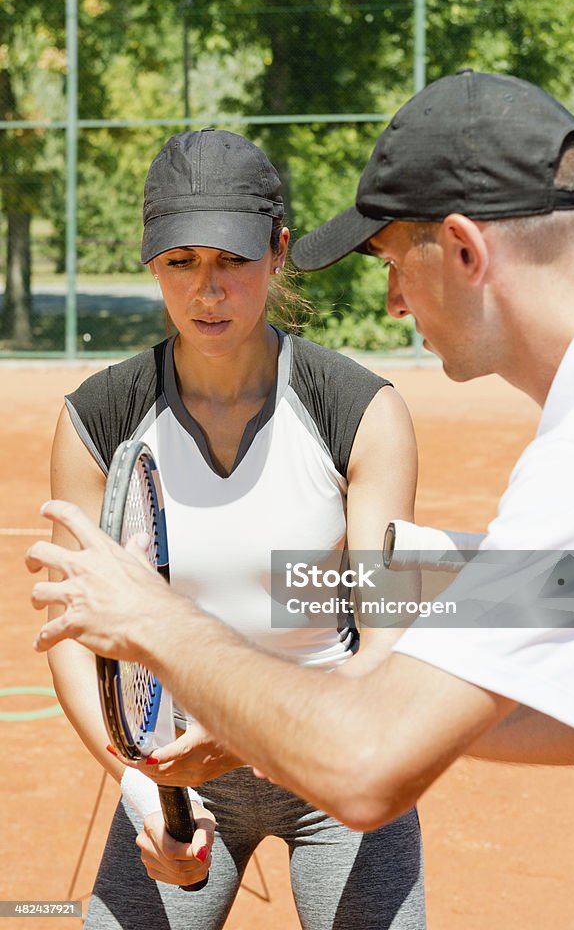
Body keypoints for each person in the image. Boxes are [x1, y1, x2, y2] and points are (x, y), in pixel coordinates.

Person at [29, 71, 574, 928]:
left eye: (389, 263)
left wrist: (158, 622)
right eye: (179, 262)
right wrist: (273, 701)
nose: (391, 301)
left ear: (462, 249)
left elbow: (369, 764)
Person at [41, 128, 426, 928]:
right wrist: (142, 783)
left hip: (334, 748)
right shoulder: (98, 420)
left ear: (279, 252)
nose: (206, 291)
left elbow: (390, 640)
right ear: (152, 263)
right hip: (179, 771)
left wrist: (265, 731)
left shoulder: (360, 411)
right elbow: (79, 635)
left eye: (233, 260)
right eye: (181, 262)